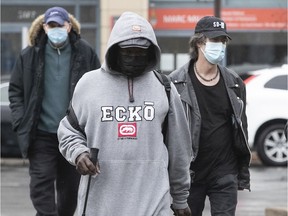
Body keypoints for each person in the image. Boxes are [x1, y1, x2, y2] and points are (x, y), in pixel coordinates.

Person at [57, 11, 192, 216]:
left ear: (151, 52)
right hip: (100, 205)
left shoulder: (163, 87)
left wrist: (180, 197)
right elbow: (68, 131)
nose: (134, 57)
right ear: (115, 50)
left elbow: (179, 148)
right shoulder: (88, 84)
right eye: (128, 51)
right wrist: (79, 154)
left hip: (154, 203)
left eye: (141, 52)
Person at [9, 6, 101, 216]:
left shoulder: (85, 52)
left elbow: (99, 87)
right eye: (52, 25)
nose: (56, 29)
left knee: (70, 190)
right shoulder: (30, 54)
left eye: (60, 25)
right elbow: (15, 90)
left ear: (69, 27)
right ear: (44, 27)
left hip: (74, 135)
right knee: (41, 185)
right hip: (41, 134)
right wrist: (20, 120)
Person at [169, 16, 251, 216]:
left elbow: (241, 127)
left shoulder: (234, 82)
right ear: (199, 42)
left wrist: (240, 171)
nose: (220, 46)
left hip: (224, 173)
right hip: (190, 175)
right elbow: (168, 132)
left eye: (223, 41)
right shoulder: (175, 83)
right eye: (215, 41)